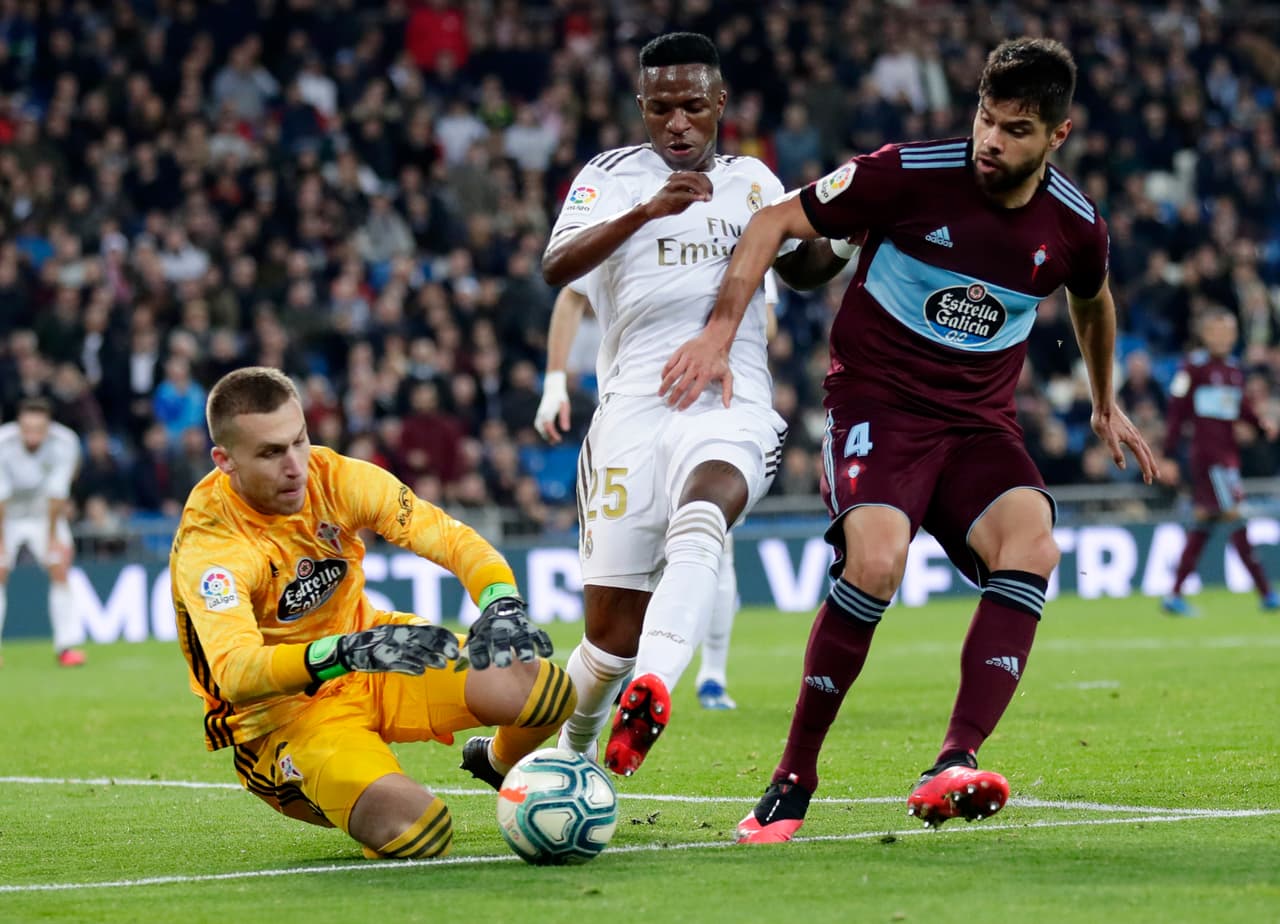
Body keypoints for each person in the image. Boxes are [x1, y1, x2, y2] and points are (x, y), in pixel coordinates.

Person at [661, 37, 1159, 838]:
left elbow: (1093, 302)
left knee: (1033, 545)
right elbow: (772, 221)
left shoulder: (1073, 226)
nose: (993, 141)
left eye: (1017, 129)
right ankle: (793, 777)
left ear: (1057, 137)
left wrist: (1105, 402)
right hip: (877, 407)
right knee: (878, 562)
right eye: (986, 119)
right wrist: (720, 332)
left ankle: (952, 763)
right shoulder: (907, 171)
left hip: (977, 426)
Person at [539, 32, 852, 776]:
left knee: (706, 506)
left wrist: (848, 234)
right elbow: (557, 267)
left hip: (728, 401)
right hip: (630, 415)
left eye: (690, 107)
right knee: (607, 640)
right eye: (659, 109)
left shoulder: (752, 180)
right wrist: (644, 213)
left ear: (719, 105)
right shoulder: (611, 178)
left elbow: (803, 265)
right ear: (642, 109)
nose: (675, 123)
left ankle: (659, 685)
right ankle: (564, 751)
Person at [171, 367, 572, 860]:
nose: (296, 465)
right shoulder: (213, 545)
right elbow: (236, 672)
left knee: (545, 690)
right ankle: (340, 788)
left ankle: (500, 763)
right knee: (420, 832)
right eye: (272, 453)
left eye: (299, 440)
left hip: (376, 652)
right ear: (224, 461)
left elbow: (444, 535)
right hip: (286, 718)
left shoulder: (335, 478)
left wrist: (500, 603)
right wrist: (342, 653)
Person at [533, 274, 789, 711]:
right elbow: (569, 290)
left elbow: (766, 324)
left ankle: (700, 675)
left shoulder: (747, 221)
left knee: (707, 534)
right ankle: (592, 717)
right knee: (618, 595)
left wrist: (718, 324)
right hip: (632, 418)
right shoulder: (623, 214)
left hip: (711, 411)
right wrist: (555, 383)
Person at [1159, 308, 1279, 616]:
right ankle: (1267, 593)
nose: (1223, 338)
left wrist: (1260, 424)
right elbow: (1175, 413)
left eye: (1228, 332)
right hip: (1210, 458)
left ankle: (1173, 595)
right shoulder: (1193, 368)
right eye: (1216, 331)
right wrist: (1169, 455)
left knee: (1205, 522)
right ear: (1204, 334)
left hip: (1228, 456)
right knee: (1235, 517)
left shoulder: (1234, 370)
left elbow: (1241, 408)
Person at [0, 397, 84, 667]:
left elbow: (58, 492)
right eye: (27, 429)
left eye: (39, 429)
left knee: (59, 568)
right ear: (19, 424)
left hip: (44, 513)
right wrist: (1, 542)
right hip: (7, 514)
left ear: (49, 427)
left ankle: (66, 647)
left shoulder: (65, 442)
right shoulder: (2, 442)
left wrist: (52, 539)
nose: (32, 436)